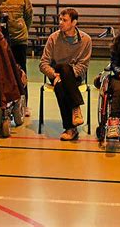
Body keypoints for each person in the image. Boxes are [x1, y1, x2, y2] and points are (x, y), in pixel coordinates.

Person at [39, 8, 92, 141]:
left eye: (64, 20)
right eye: (60, 19)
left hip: (76, 76)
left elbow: (83, 65)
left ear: (74, 22)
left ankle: (70, 128)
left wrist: (65, 75)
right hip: (56, 75)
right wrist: (54, 74)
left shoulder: (86, 40)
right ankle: (76, 107)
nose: (60, 23)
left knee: (64, 75)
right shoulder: (53, 38)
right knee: (61, 75)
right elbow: (43, 63)